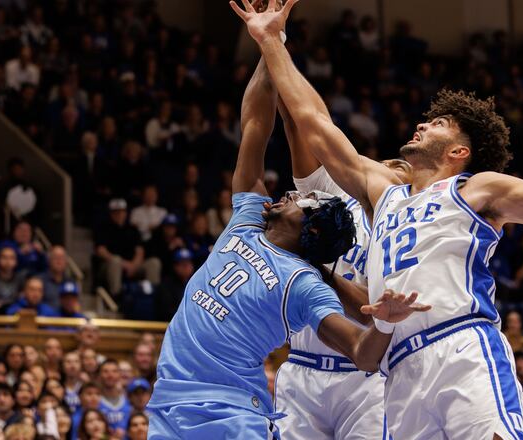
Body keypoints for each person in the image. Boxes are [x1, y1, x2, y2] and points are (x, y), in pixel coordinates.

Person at [232, 2, 523, 438]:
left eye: (438, 124)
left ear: (459, 152)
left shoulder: (478, 188)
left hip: (462, 349)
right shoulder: (383, 192)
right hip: (399, 366)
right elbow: (314, 122)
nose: (422, 123)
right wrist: (272, 40)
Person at [147, 54, 428, 439]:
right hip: (200, 390)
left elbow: (367, 325)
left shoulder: (398, 234)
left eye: (398, 169)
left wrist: (370, 310)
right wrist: (270, 44)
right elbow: (271, 125)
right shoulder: (274, 212)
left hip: (330, 384)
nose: (292, 195)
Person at [273, 59, 413, 439]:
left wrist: (319, 270)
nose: (385, 166)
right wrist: (274, 47)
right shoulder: (330, 194)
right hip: (302, 366)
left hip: (364, 377)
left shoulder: (410, 228)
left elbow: (373, 313)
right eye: (383, 162)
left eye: (399, 167)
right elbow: (298, 122)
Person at [0, 245, 27, 313]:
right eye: (4, 257)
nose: (8, 261)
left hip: (14, 315)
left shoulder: (20, 278)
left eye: (12, 258)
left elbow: (22, 301)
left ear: (16, 261)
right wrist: (8, 307)